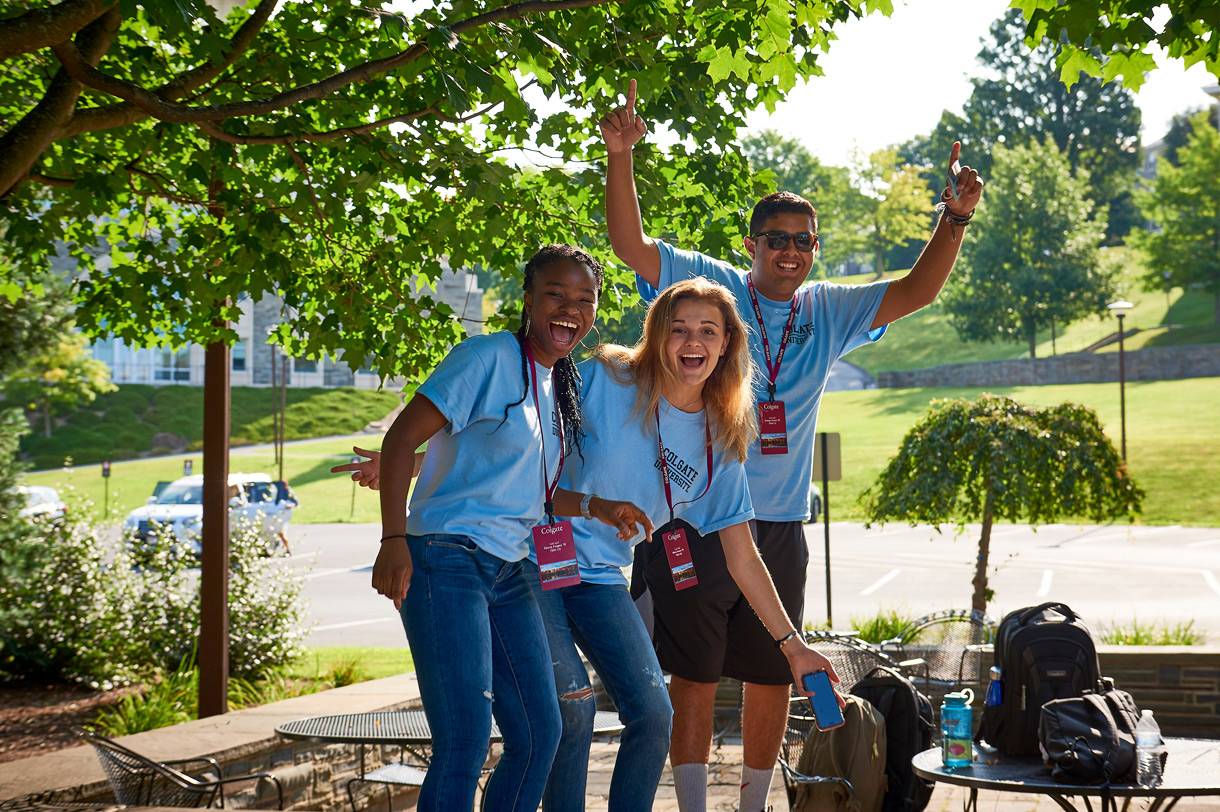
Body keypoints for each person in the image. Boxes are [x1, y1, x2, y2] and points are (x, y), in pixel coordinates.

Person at [599, 79, 984, 812]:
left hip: (778, 522)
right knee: (695, 676)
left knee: (774, 674)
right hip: (699, 516)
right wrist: (621, 155)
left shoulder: (830, 309)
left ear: (815, 250)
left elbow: (917, 291)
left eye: (804, 240)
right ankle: (690, 805)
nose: (791, 251)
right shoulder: (711, 285)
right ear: (751, 246)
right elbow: (629, 244)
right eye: (776, 238)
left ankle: (750, 805)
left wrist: (954, 218)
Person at [340, 277, 842, 812]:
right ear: (657, 335)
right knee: (571, 712)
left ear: (726, 345)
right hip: (531, 561)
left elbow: (744, 559)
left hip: (599, 576)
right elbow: (522, 443)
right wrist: (413, 464)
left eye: (707, 331)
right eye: (678, 329)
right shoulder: (608, 378)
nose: (691, 342)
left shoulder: (721, 442)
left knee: (653, 712)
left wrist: (792, 644)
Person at [366, 244, 650, 812]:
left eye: (584, 300)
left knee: (540, 732)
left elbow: (534, 491)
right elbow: (400, 441)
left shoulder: (555, 383)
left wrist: (598, 506)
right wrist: (393, 541)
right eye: (555, 294)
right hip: (446, 558)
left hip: (512, 566)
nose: (570, 309)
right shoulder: (487, 357)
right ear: (527, 299)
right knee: (465, 738)